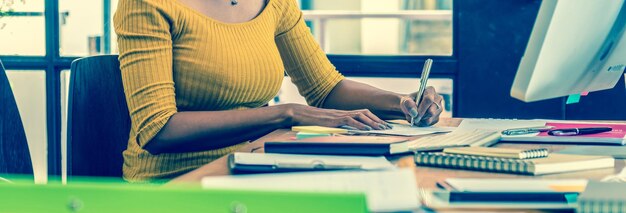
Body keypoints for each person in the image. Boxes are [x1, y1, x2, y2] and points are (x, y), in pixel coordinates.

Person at [114, 0, 443, 182]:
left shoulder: (274, 4)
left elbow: (325, 87)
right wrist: (286, 112)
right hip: (174, 181)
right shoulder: (147, 5)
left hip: (253, 167)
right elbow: (158, 130)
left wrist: (402, 102)